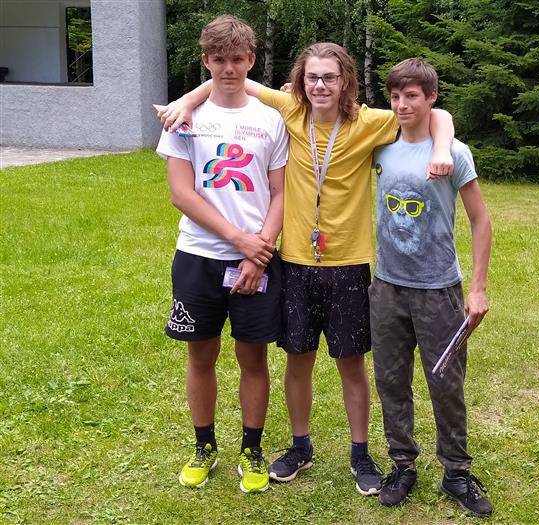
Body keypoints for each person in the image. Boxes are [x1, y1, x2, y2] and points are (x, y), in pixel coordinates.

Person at [158, 42, 454, 496]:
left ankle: (360, 452)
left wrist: (444, 147)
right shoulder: (289, 111)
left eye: (330, 77)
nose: (320, 85)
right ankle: (300, 446)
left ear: (346, 81)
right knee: (298, 360)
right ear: (301, 81)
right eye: (312, 77)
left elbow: (435, 113)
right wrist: (185, 100)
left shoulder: (369, 122)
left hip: (349, 263)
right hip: (296, 262)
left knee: (351, 363)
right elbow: (231, 80)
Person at [155, 15, 288, 494]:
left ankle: (252, 450)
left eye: (236, 59)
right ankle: (204, 446)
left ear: (251, 60)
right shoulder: (184, 118)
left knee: (253, 358)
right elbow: (181, 193)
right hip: (198, 256)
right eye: (218, 60)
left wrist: (257, 253)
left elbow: (280, 194)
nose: (228, 69)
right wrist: (239, 240)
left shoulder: (270, 119)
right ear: (205, 60)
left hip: (256, 260)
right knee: (201, 356)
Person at [369, 58, 494, 517]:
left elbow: (481, 221)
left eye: (412, 96)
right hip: (387, 286)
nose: (402, 105)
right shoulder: (380, 146)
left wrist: (477, 289)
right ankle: (402, 465)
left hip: (439, 289)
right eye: (395, 96)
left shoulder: (454, 152)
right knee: (390, 379)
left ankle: (456, 472)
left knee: (446, 383)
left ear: (431, 98)